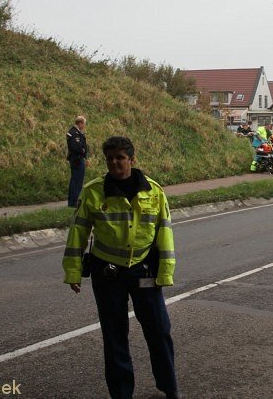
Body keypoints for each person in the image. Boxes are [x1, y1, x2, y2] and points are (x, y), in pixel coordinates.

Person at [63, 136, 180, 399]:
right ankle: (121, 393)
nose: (115, 163)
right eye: (110, 158)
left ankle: (169, 386)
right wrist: (72, 271)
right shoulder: (94, 192)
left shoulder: (154, 191)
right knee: (115, 336)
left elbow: (165, 234)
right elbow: (78, 234)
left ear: (132, 160)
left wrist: (166, 271)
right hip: (108, 273)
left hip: (145, 270)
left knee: (159, 330)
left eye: (120, 158)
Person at [66, 116, 88, 207]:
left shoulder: (77, 132)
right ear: (80, 123)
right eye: (84, 124)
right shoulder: (74, 133)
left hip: (77, 159)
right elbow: (76, 147)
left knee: (77, 179)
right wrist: (83, 151)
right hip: (77, 159)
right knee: (77, 180)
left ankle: (74, 200)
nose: (84, 126)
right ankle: (74, 201)